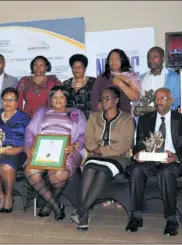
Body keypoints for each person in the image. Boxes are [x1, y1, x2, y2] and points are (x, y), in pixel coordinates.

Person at [70, 87, 135, 231]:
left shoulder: (127, 119)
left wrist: (102, 150)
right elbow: (88, 140)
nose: (104, 101)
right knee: (89, 168)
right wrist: (96, 150)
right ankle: (84, 214)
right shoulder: (94, 117)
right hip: (94, 155)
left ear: (116, 100)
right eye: (102, 98)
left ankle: (82, 210)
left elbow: (125, 144)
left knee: (103, 170)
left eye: (108, 98)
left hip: (119, 157)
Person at [24, 86, 87, 219]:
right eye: (54, 97)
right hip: (42, 149)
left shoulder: (76, 113)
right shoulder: (42, 111)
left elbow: (83, 134)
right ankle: (56, 204)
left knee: (59, 173)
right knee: (31, 171)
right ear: (50, 100)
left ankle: (49, 204)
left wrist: (75, 145)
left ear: (66, 99)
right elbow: (30, 130)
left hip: (67, 149)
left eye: (61, 97)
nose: (58, 100)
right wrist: (29, 146)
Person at [126, 88, 182, 236]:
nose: (159, 101)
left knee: (166, 172)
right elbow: (138, 143)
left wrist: (176, 157)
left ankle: (171, 218)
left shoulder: (180, 119)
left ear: (172, 101)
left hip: (172, 159)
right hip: (151, 158)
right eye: (157, 98)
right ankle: (136, 216)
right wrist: (138, 153)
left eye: (163, 98)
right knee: (136, 169)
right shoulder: (145, 119)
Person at [0, 87, 30, 212]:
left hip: (16, 152)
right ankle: (0, 195)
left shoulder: (24, 118)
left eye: (11, 100)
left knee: (6, 167)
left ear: (17, 102)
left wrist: (17, 150)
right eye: (5, 100)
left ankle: (9, 195)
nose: (7, 103)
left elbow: (30, 140)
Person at [91, 49, 141, 114]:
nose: (113, 62)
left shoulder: (131, 77)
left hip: (125, 118)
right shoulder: (102, 77)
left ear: (122, 60)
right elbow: (94, 100)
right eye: (110, 59)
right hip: (105, 118)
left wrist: (120, 83)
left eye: (116, 59)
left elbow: (135, 97)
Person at [62, 54, 96, 119]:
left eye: (80, 67)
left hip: (90, 122)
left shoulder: (94, 82)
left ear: (85, 68)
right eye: (74, 67)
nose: (77, 69)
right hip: (69, 122)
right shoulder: (65, 84)